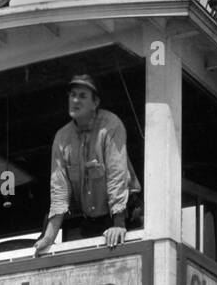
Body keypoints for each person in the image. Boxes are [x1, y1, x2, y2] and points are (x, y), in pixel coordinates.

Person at [34, 73, 140, 256]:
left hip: (125, 216)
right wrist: (49, 237)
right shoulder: (62, 137)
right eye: (72, 95)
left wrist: (119, 224)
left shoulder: (111, 125)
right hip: (92, 221)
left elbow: (116, 175)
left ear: (95, 102)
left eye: (82, 96)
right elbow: (59, 190)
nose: (75, 100)